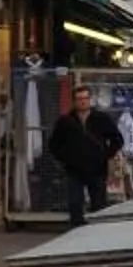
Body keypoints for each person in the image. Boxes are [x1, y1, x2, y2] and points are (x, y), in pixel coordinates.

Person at [46, 85, 124, 228]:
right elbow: (54, 144)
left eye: (85, 98)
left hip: (97, 169)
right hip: (74, 169)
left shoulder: (101, 118)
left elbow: (117, 139)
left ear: (90, 100)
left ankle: (97, 231)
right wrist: (66, 158)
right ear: (74, 101)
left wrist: (105, 154)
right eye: (79, 99)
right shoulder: (66, 121)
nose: (82, 101)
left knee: (99, 204)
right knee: (75, 202)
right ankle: (76, 229)